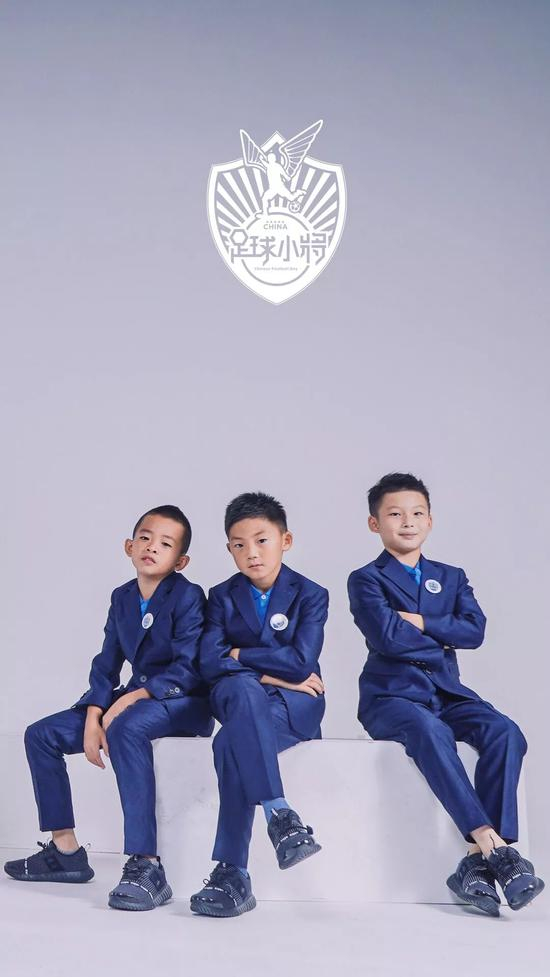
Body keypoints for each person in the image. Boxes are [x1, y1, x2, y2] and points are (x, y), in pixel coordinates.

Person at [348, 473, 544, 917]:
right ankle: (496, 848)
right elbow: (387, 639)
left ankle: (475, 863)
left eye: (417, 513)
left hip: (447, 691)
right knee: (431, 732)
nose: (408, 522)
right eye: (395, 514)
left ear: (430, 520)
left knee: (505, 733)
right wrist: (442, 635)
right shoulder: (365, 579)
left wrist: (418, 622)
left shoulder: (451, 577)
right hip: (390, 697)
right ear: (374, 524)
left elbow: (474, 632)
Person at [4, 505, 214, 911]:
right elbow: (105, 665)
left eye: (165, 544)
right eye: (145, 538)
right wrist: (94, 713)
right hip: (131, 701)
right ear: (129, 546)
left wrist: (127, 702)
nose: (152, 547)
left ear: (180, 561)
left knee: (125, 728)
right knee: (41, 735)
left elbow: (189, 668)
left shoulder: (188, 596)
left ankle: (146, 864)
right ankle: (65, 852)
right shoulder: (122, 597)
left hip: (183, 700)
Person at [191, 491, 327, 917]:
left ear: (285, 540)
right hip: (237, 696)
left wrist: (239, 654)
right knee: (245, 691)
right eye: (239, 544)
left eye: (261, 540)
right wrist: (269, 673)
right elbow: (208, 662)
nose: (251, 553)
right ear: (229, 549)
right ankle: (280, 815)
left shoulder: (311, 594)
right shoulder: (221, 595)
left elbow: (301, 662)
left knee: (227, 743)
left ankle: (232, 873)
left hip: (295, 703)